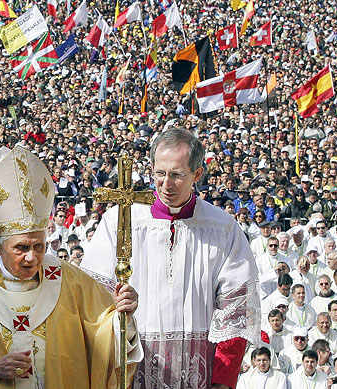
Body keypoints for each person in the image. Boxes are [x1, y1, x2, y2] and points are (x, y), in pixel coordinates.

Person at [0, 145, 143, 387]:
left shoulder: (68, 278)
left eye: (39, 246)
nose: (32, 257)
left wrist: (123, 317)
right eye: (21, 248)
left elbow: (102, 332)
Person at [82, 128, 259, 388]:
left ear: (197, 174)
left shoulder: (222, 228)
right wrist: (120, 305)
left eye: (177, 175)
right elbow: (91, 297)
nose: (166, 184)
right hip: (132, 368)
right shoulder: (119, 221)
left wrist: (223, 379)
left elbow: (237, 310)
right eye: (160, 173)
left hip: (200, 374)